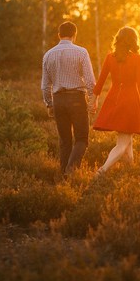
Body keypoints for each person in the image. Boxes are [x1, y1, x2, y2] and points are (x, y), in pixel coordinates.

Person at [92, 26, 140, 176]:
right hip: (130, 102)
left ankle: (131, 172)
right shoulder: (136, 58)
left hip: (113, 100)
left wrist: (94, 100)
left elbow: (100, 81)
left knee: (128, 141)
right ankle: (102, 171)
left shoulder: (110, 57)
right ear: (133, 41)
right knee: (122, 143)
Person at [41, 21, 98, 175]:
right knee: (81, 139)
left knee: (64, 141)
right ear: (74, 35)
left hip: (58, 100)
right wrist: (93, 100)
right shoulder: (81, 52)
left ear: (59, 35)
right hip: (77, 99)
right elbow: (90, 81)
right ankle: (71, 171)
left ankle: (63, 177)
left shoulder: (48, 54)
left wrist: (49, 104)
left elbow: (45, 86)